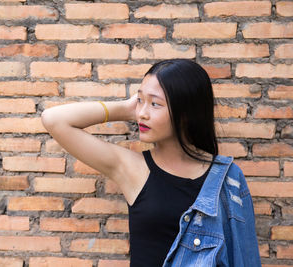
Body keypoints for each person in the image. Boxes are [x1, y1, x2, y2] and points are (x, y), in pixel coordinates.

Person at [41, 59, 261, 266]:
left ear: (187, 112)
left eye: (155, 104)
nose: (142, 114)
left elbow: (244, 256)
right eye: (140, 101)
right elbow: (54, 120)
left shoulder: (228, 178)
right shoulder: (132, 169)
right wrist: (128, 108)